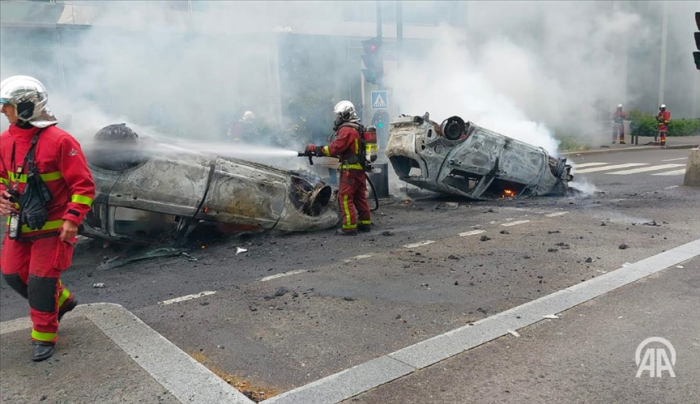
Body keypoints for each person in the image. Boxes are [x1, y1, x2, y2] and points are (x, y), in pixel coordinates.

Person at [0, 75, 95, 362]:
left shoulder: (61, 141)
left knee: (40, 282)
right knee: (13, 275)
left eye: (8, 106)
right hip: (20, 225)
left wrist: (72, 219)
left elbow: (83, 186)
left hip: (53, 228)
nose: (3, 111)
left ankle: (44, 336)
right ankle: (63, 300)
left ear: (27, 107)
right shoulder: (4, 142)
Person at [305, 101, 370, 235]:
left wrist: (316, 149)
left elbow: (334, 149)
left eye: (339, 116)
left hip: (350, 170)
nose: (337, 119)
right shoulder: (357, 127)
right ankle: (365, 223)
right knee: (359, 196)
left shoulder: (347, 130)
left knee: (345, 197)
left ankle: (349, 227)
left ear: (345, 115)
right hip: (358, 169)